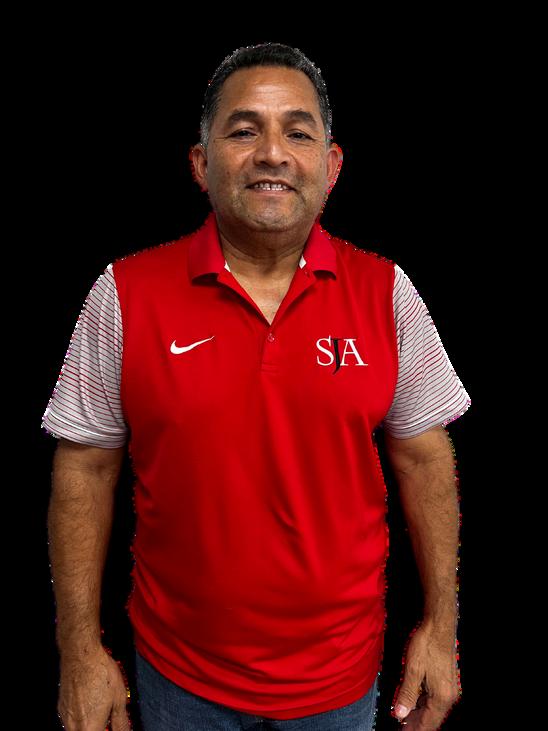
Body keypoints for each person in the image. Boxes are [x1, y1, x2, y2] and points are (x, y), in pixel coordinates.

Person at [43, 42, 471, 731]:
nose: (272, 153)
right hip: (179, 676)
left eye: (297, 133)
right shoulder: (123, 294)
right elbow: (85, 469)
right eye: (243, 131)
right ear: (200, 162)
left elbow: (425, 461)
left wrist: (441, 629)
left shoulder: (388, 292)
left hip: (340, 680)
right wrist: (79, 651)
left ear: (331, 165)